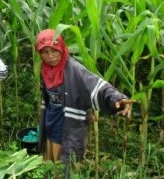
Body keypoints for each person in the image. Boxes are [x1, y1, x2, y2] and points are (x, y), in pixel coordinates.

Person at [36, 29, 135, 163]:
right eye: (45, 52)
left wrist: (116, 98)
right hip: (51, 123)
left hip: (67, 127)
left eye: (54, 50)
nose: (50, 56)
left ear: (62, 48)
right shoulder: (46, 69)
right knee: (50, 163)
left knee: (65, 165)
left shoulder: (74, 70)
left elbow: (97, 86)